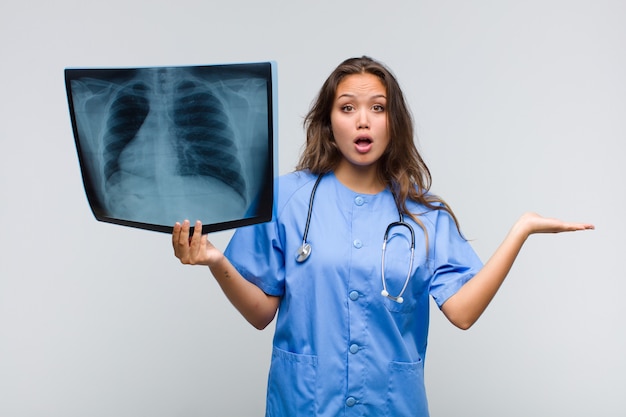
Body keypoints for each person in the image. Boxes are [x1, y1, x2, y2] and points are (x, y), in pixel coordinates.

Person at [172, 56, 594, 417]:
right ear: (328, 122)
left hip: (391, 405)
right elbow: (261, 311)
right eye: (347, 107)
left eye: (378, 107)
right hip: (305, 404)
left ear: (394, 122)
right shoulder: (286, 199)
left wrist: (520, 231)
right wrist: (215, 259)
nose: (363, 120)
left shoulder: (423, 215)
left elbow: (463, 313)